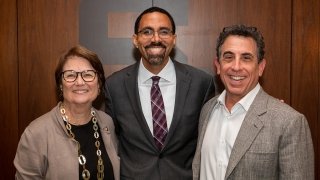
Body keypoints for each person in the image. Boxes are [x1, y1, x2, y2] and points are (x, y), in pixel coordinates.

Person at [104, 6, 215, 180]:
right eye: (147, 32)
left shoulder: (201, 83)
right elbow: (112, 142)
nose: (156, 39)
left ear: (173, 39)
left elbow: (207, 142)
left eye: (163, 32)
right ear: (135, 39)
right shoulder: (114, 86)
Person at [192, 24, 314, 180]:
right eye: (228, 57)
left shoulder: (289, 122)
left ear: (261, 67)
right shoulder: (207, 110)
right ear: (218, 65)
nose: (236, 67)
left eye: (246, 58)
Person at [14, 45, 120, 180]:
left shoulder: (107, 122)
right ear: (60, 85)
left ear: (98, 84)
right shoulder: (36, 133)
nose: (80, 82)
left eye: (88, 74)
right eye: (70, 75)